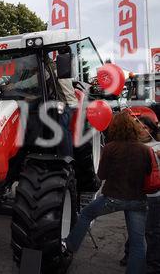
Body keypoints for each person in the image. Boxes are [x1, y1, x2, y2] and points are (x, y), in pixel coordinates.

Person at [63, 111, 152, 274]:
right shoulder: (145, 150)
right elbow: (149, 173)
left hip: (113, 197)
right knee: (138, 242)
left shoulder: (111, 148)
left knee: (86, 215)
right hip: (138, 200)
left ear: (115, 128)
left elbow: (101, 175)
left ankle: (70, 245)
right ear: (133, 128)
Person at [120, 116, 160, 273]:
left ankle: (153, 264)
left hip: (154, 196)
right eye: (138, 127)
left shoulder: (157, 146)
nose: (141, 130)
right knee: (134, 228)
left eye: (144, 127)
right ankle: (129, 254)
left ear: (150, 130)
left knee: (153, 231)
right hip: (133, 195)